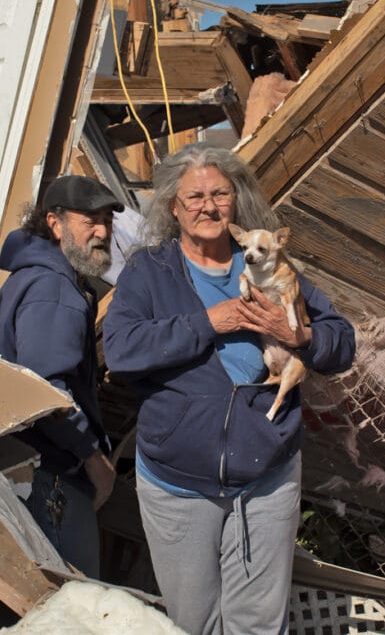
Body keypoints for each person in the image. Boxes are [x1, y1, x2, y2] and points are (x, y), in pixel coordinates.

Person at [102, 143, 356, 634]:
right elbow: (123, 351)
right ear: (173, 207)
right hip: (177, 483)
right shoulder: (149, 271)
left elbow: (341, 343)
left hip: (266, 479)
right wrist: (208, 322)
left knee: (258, 624)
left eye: (220, 194)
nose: (208, 206)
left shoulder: (270, 266)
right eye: (193, 196)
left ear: (236, 203)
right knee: (194, 623)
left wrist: (300, 336)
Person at [0, 175, 120, 578]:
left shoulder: (36, 276)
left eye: (107, 220)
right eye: (90, 220)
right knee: (69, 598)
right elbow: (46, 391)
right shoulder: (53, 289)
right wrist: (92, 457)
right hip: (49, 473)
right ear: (54, 224)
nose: (102, 231)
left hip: (25, 466)